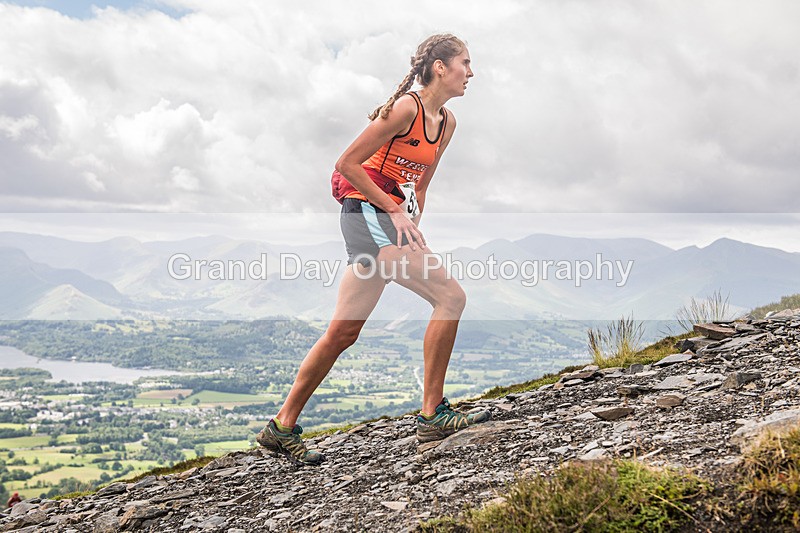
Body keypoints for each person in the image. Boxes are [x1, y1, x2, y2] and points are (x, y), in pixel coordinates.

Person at [257, 33, 490, 466]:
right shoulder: (406, 109)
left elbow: (420, 185)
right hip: (364, 213)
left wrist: (411, 225)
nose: (471, 73)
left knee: (343, 332)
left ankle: (281, 426)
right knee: (450, 296)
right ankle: (433, 415)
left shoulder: (447, 123)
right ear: (440, 67)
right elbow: (346, 163)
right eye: (465, 63)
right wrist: (393, 212)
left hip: (389, 221)